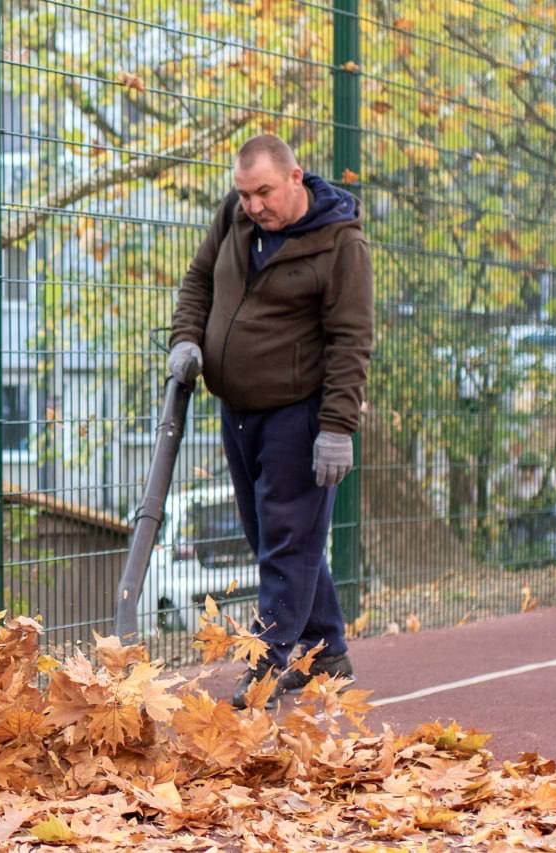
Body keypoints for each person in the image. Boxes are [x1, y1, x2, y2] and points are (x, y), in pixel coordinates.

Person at [168, 134, 374, 709]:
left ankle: (265, 665)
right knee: (276, 536)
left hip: (298, 413)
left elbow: (350, 342)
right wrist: (186, 341)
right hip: (237, 410)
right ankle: (327, 651)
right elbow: (199, 281)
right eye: (245, 193)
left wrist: (337, 428)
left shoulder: (340, 246)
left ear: (294, 178)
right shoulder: (235, 218)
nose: (254, 205)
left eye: (263, 192)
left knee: (285, 540)